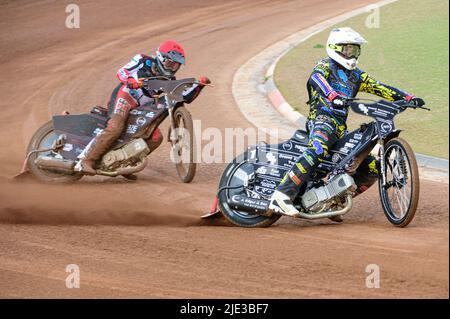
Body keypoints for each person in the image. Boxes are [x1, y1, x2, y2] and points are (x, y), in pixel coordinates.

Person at [269, 27, 425, 218]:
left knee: (373, 168)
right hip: (321, 121)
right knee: (318, 149)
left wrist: (408, 98)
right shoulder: (325, 66)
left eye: (355, 50)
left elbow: (381, 88)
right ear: (334, 48)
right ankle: (282, 194)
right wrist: (332, 95)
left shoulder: (357, 76)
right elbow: (316, 79)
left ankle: (334, 202)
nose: (351, 54)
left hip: (340, 130)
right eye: (346, 49)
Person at [76, 40, 210, 175]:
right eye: (170, 63)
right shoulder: (142, 60)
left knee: (156, 138)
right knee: (116, 126)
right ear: (161, 58)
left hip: (142, 108)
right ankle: (87, 160)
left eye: (176, 66)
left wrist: (199, 85)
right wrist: (130, 81)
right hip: (126, 97)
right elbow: (121, 72)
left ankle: (124, 165)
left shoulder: (169, 80)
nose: (172, 68)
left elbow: (184, 97)